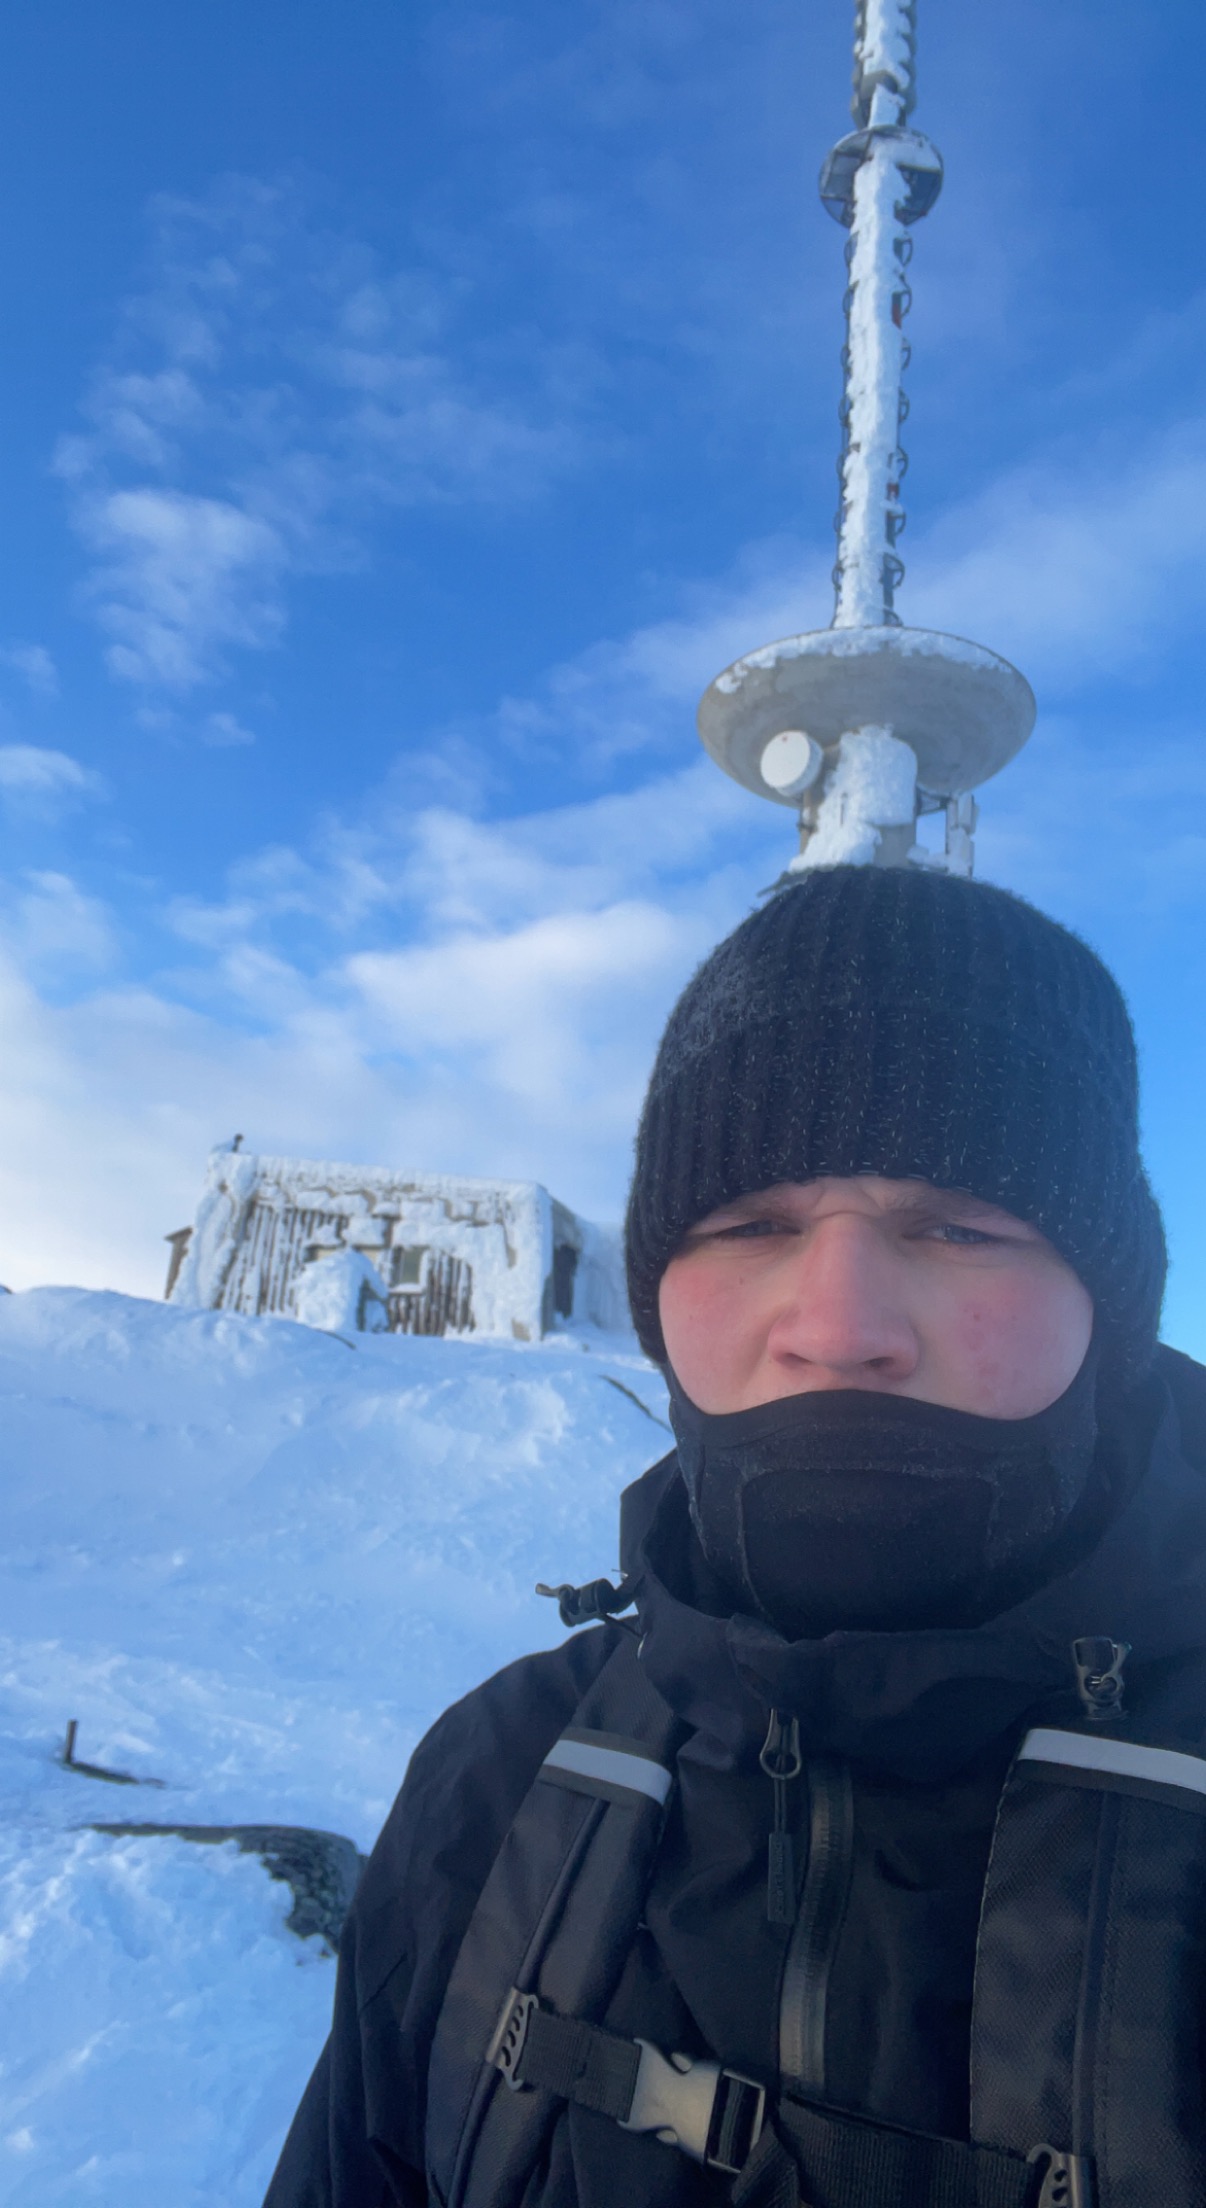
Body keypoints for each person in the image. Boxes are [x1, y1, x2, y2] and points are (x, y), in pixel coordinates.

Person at [264, 863, 1206, 2208]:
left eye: (954, 1224)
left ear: (1103, 1307)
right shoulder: (503, 1776)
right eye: (749, 1225)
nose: (833, 1323)